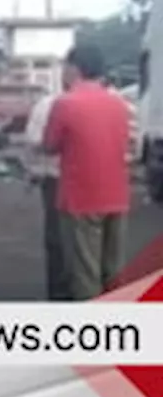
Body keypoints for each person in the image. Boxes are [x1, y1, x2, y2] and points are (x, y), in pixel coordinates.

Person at [42, 44, 133, 301]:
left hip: (81, 200)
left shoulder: (65, 103)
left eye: (65, 67)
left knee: (85, 273)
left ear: (74, 68)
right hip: (117, 197)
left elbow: (49, 145)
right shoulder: (119, 104)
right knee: (113, 270)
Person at [23, 85, 70, 300]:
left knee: (57, 238)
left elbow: (33, 141)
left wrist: (33, 171)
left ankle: (59, 293)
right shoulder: (111, 101)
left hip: (56, 179)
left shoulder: (48, 104)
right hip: (92, 180)